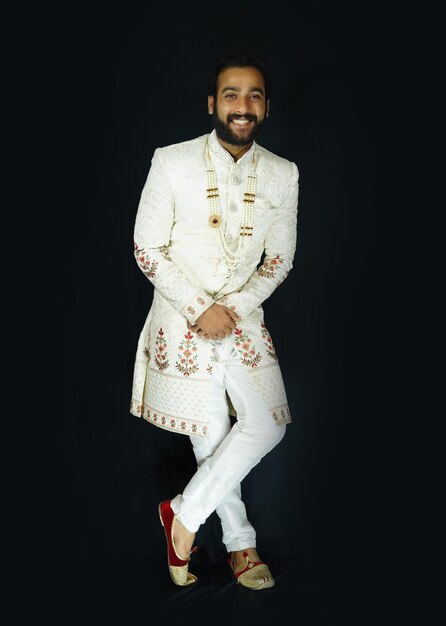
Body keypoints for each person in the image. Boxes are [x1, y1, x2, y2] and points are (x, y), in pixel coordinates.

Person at [130, 50, 299, 589]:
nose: (242, 106)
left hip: (243, 318)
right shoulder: (172, 161)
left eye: (253, 96)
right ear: (212, 103)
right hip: (181, 318)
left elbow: (280, 259)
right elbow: (147, 248)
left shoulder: (282, 174)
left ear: (266, 107)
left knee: (267, 423)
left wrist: (235, 308)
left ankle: (181, 514)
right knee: (211, 435)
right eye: (231, 94)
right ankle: (242, 547)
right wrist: (201, 308)